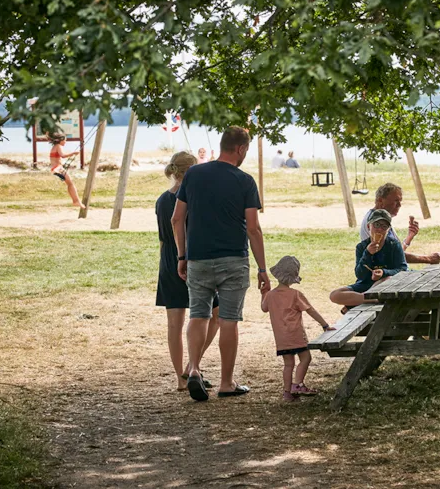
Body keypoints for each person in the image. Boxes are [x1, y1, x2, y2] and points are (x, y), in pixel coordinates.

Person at [172, 125, 270, 402]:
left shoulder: (193, 174)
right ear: (240, 149)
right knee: (228, 320)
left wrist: (182, 256)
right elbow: (253, 229)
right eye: (246, 151)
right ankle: (227, 382)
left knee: (198, 315)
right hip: (233, 260)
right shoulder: (245, 181)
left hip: (198, 259)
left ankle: (193, 369)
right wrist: (263, 269)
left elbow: (177, 219)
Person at [156, 151, 220, 392]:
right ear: (192, 171)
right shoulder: (195, 198)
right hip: (194, 261)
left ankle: (182, 377)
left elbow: (163, 238)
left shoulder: (162, 200)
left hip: (167, 262)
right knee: (213, 313)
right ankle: (192, 365)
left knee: (175, 323)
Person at [261, 256, 335, 402]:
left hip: (281, 337)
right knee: (306, 358)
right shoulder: (295, 294)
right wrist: (325, 325)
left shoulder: (270, 295)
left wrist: (264, 292)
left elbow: (264, 308)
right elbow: (311, 310)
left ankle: (287, 393)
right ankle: (298, 384)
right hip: (295, 334)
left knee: (288, 364)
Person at [331, 209, 408, 309]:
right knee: (334, 295)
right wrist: (367, 253)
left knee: (388, 279)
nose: (379, 229)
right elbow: (360, 275)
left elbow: (402, 269)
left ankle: (356, 301)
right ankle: (370, 299)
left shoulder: (394, 245)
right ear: (368, 226)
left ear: (388, 230)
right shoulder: (361, 247)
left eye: (384, 226)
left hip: (385, 284)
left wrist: (383, 272)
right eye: (376, 225)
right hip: (365, 284)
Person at [359, 183, 440, 264]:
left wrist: (409, 238)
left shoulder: (380, 218)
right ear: (381, 200)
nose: (399, 205)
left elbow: (395, 252)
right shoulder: (376, 223)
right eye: (396, 201)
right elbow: (392, 256)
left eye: (400, 201)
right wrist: (428, 259)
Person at [48, 133, 85, 209]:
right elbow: (63, 155)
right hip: (58, 168)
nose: (65, 142)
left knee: (69, 183)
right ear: (60, 140)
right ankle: (76, 201)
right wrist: (73, 153)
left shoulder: (54, 147)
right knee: (71, 184)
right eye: (65, 140)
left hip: (55, 168)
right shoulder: (58, 146)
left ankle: (75, 201)